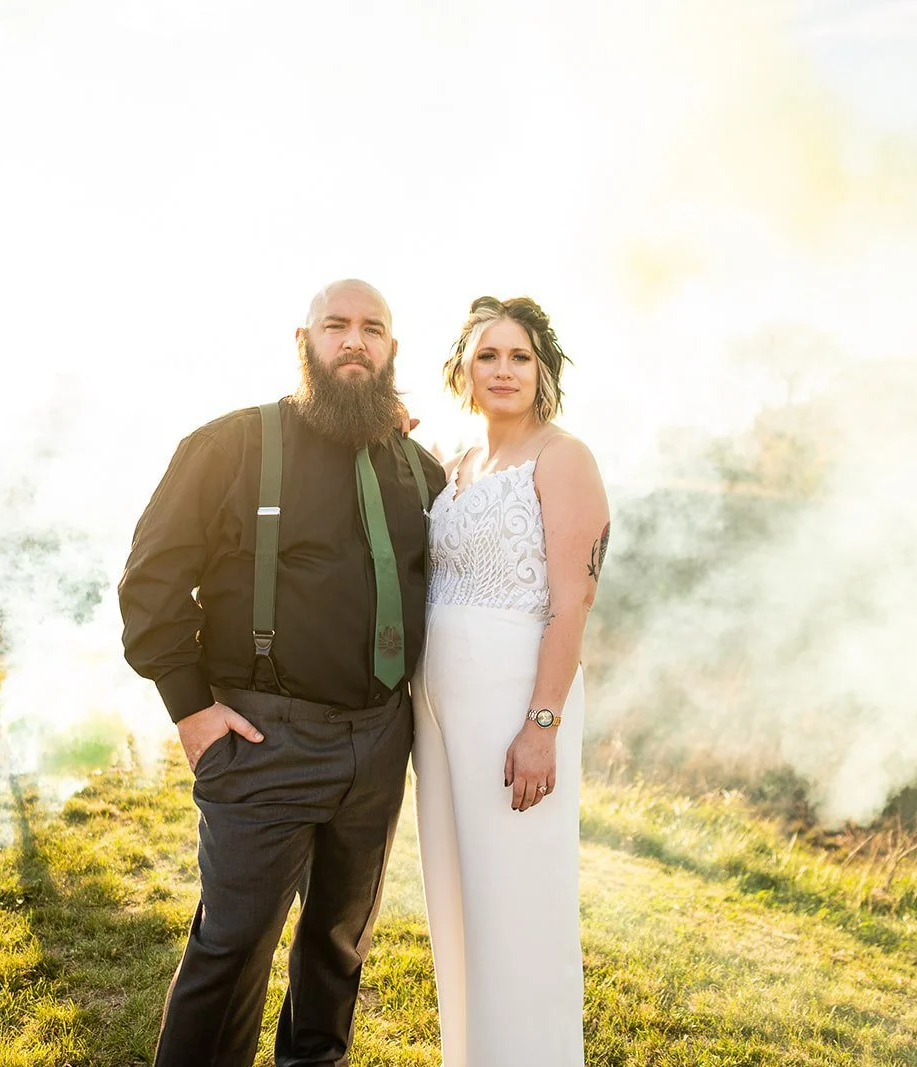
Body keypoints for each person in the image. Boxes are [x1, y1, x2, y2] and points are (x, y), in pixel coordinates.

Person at [117, 279, 446, 1067]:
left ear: (393, 352)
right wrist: (192, 710)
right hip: (265, 735)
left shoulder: (417, 467)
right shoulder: (229, 445)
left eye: (373, 329)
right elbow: (151, 584)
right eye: (336, 325)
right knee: (232, 949)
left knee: (338, 946)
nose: (355, 341)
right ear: (304, 343)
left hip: (378, 742)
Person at [412, 296, 610, 1066]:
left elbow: (573, 600)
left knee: (519, 909)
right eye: (488, 355)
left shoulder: (565, 458)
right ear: (464, 368)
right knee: (460, 906)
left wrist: (543, 724)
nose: (503, 369)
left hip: (514, 707)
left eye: (519, 356)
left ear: (542, 370)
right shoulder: (458, 464)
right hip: (440, 717)